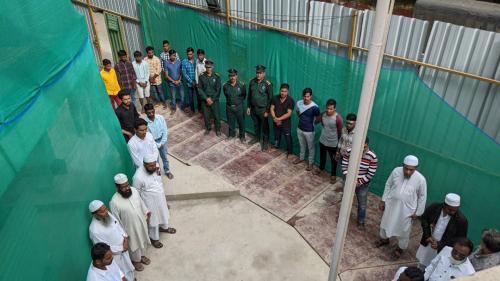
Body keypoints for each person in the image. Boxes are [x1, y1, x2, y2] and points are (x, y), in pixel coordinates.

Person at [376, 155, 427, 259]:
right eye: (406, 168)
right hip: (391, 205)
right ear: (403, 165)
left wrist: (418, 212)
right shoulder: (396, 171)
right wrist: (383, 200)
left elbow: (422, 196)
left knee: (403, 230)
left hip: (407, 210)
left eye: (411, 170)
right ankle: (384, 240)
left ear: (416, 168)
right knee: (386, 223)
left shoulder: (421, 179)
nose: (408, 172)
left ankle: (400, 249)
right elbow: (388, 185)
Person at [133, 154, 177, 248]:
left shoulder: (156, 167)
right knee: (153, 219)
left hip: (160, 196)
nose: (153, 167)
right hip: (149, 201)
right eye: (150, 166)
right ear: (144, 165)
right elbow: (136, 193)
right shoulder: (138, 177)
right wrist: (143, 208)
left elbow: (158, 179)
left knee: (163, 213)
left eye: (154, 165)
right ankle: (154, 238)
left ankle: (164, 228)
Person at [110, 173, 151, 271]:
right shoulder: (114, 202)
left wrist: (146, 211)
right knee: (134, 246)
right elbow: (116, 221)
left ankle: (141, 257)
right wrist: (123, 234)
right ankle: (135, 261)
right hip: (129, 229)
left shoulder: (134, 191)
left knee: (143, 240)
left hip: (141, 222)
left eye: (127, 185)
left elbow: (141, 202)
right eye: (123, 187)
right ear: (117, 187)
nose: (127, 188)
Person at [417, 193, 468, 267]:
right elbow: (425, 219)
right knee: (422, 261)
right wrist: (427, 235)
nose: (453, 212)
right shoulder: (434, 207)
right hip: (428, 243)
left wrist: (440, 245)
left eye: (455, 210)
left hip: (443, 249)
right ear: (444, 205)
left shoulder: (462, 221)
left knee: (436, 265)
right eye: (450, 210)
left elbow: (460, 240)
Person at [88, 200, 135, 281]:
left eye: (105, 209)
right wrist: (122, 248)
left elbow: (118, 226)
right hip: (114, 255)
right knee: (121, 272)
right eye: (102, 211)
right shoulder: (94, 229)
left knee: (129, 269)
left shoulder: (108, 215)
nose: (106, 212)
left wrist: (125, 238)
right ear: (95, 214)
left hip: (124, 247)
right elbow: (103, 248)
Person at [341, 137, 377, 229]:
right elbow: (344, 165)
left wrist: (359, 182)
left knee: (362, 204)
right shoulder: (349, 151)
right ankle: (342, 218)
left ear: (367, 145)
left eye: (364, 147)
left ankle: (361, 221)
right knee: (345, 200)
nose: (361, 150)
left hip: (363, 185)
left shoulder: (372, 157)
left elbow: (370, 173)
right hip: (349, 180)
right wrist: (349, 179)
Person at [314, 99, 343, 183]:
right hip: (322, 140)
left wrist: (338, 146)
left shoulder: (338, 118)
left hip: (333, 143)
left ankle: (333, 175)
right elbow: (316, 122)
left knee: (333, 160)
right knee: (322, 156)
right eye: (327, 108)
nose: (328, 110)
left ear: (335, 109)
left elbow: (340, 132)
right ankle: (321, 168)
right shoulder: (323, 114)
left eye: (331, 109)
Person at [144, 103, 174, 179]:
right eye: (149, 113)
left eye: (152, 112)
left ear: (154, 110)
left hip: (162, 140)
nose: (151, 114)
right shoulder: (144, 122)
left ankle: (167, 171)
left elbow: (165, 131)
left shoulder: (160, 118)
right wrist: (156, 144)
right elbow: (148, 136)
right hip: (152, 142)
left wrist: (162, 142)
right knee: (155, 159)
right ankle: (157, 174)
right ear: (145, 113)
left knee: (165, 157)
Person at [293, 88, 320, 170]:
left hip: (309, 131)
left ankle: (310, 163)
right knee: (302, 145)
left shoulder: (315, 107)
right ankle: (301, 158)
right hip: (299, 128)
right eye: (304, 96)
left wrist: (311, 123)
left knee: (311, 147)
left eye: (308, 96)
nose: (306, 98)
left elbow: (318, 117)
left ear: (310, 96)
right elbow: (297, 112)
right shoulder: (298, 103)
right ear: (303, 96)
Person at [247, 65, 273, 151]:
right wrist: (248, 106)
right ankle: (257, 138)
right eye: (257, 73)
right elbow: (249, 95)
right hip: (254, 109)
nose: (258, 74)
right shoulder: (252, 82)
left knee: (265, 127)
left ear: (264, 74)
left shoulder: (268, 84)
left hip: (263, 110)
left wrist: (267, 111)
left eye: (260, 73)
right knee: (256, 125)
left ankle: (265, 142)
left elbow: (270, 98)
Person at [270, 83, 294, 157]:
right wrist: (274, 118)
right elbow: (272, 108)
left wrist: (279, 119)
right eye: (282, 91)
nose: (283, 93)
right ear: (280, 90)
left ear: (288, 92)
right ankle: (276, 146)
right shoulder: (275, 98)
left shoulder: (290, 100)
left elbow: (289, 113)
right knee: (277, 135)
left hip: (286, 124)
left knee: (288, 137)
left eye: (285, 91)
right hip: (276, 122)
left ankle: (290, 152)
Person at [198, 60, 222, 136]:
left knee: (216, 116)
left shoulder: (217, 76)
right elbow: (200, 89)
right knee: (206, 115)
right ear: (205, 67)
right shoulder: (201, 76)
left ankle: (218, 129)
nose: (208, 69)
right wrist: (206, 99)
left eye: (210, 67)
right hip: (205, 100)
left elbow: (218, 89)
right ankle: (208, 128)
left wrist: (212, 99)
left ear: (212, 67)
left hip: (214, 100)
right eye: (207, 67)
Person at [223, 68, 246, 142]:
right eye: (230, 75)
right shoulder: (225, 85)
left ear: (236, 76)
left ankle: (242, 136)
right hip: (229, 107)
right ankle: (231, 135)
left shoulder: (241, 85)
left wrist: (237, 102)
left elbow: (244, 95)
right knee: (230, 122)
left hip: (239, 107)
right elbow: (226, 95)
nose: (232, 77)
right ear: (229, 76)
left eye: (233, 75)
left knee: (241, 122)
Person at [164, 49, 184, 115]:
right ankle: (173, 109)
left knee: (182, 96)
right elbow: (166, 75)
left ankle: (182, 107)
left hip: (180, 82)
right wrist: (174, 81)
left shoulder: (179, 62)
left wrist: (179, 80)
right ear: (169, 56)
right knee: (173, 97)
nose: (173, 57)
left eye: (174, 55)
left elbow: (181, 73)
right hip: (172, 84)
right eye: (172, 56)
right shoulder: (166, 63)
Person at [182, 47, 196, 114]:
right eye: (188, 54)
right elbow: (185, 74)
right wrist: (191, 82)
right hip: (189, 83)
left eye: (191, 54)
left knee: (199, 97)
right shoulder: (184, 61)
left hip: (197, 83)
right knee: (191, 98)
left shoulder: (196, 61)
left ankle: (200, 110)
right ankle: (192, 110)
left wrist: (196, 81)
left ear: (193, 54)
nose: (189, 55)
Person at [195, 49, 206, 113]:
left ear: (204, 55)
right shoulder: (197, 61)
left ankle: (206, 112)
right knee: (199, 98)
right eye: (199, 55)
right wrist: (196, 82)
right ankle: (201, 111)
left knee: (205, 98)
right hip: (199, 83)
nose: (200, 57)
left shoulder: (206, 62)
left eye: (201, 55)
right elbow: (196, 72)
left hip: (205, 84)